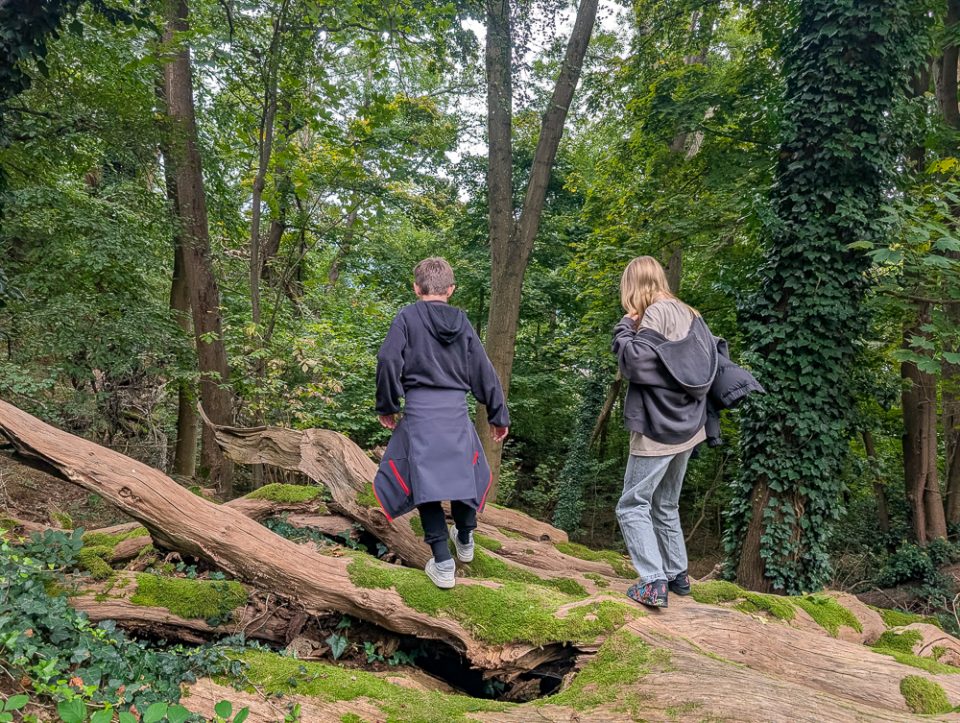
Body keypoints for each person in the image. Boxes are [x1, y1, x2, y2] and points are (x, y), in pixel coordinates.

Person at [611, 256, 761, 608]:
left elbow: (634, 362)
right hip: (690, 425)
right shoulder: (691, 314)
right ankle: (678, 576)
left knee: (632, 505)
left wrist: (623, 326)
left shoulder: (654, 315)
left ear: (633, 286)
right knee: (666, 502)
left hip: (657, 426)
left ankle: (652, 582)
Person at [372, 257, 509, 589]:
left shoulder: (407, 317)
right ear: (451, 289)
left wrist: (387, 405)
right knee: (464, 473)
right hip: (455, 412)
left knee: (425, 485)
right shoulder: (462, 322)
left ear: (416, 287)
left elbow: (388, 359)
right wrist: (497, 413)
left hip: (420, 412)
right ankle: (464, 537)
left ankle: (443, 563)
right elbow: (482, 368)